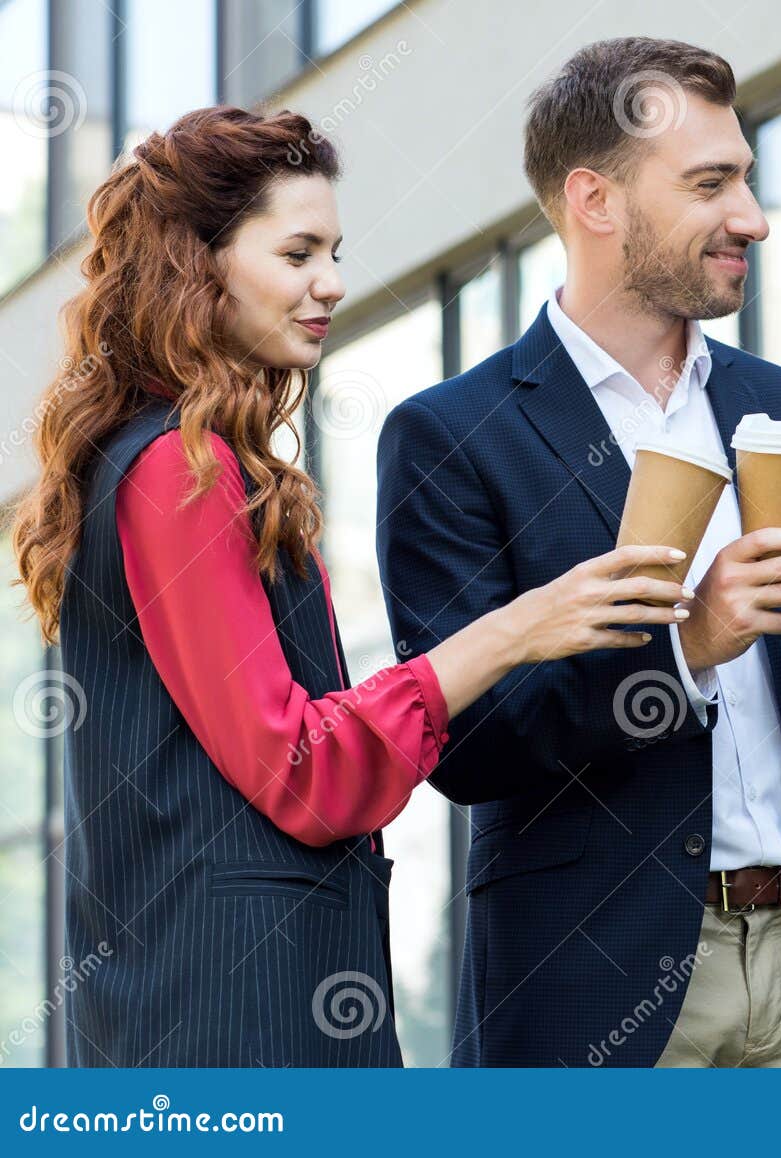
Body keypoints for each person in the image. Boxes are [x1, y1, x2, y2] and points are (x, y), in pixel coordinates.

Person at [10, 106, 690, 1067]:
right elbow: (305, 772)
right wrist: (516, 629)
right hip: (241, 1024)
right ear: (195, 268)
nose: (330, 282)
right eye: (297, 253)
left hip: (217, 1008)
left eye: (333, 250)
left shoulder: (175, 463)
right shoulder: (179, 471)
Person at [377, 37, 781, 1068]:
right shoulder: (452, 438)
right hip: (596, 987)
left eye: (749, 180)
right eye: (710, 184)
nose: (753, 219)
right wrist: (688, 644)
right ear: (595, 200)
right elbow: (462, 745)